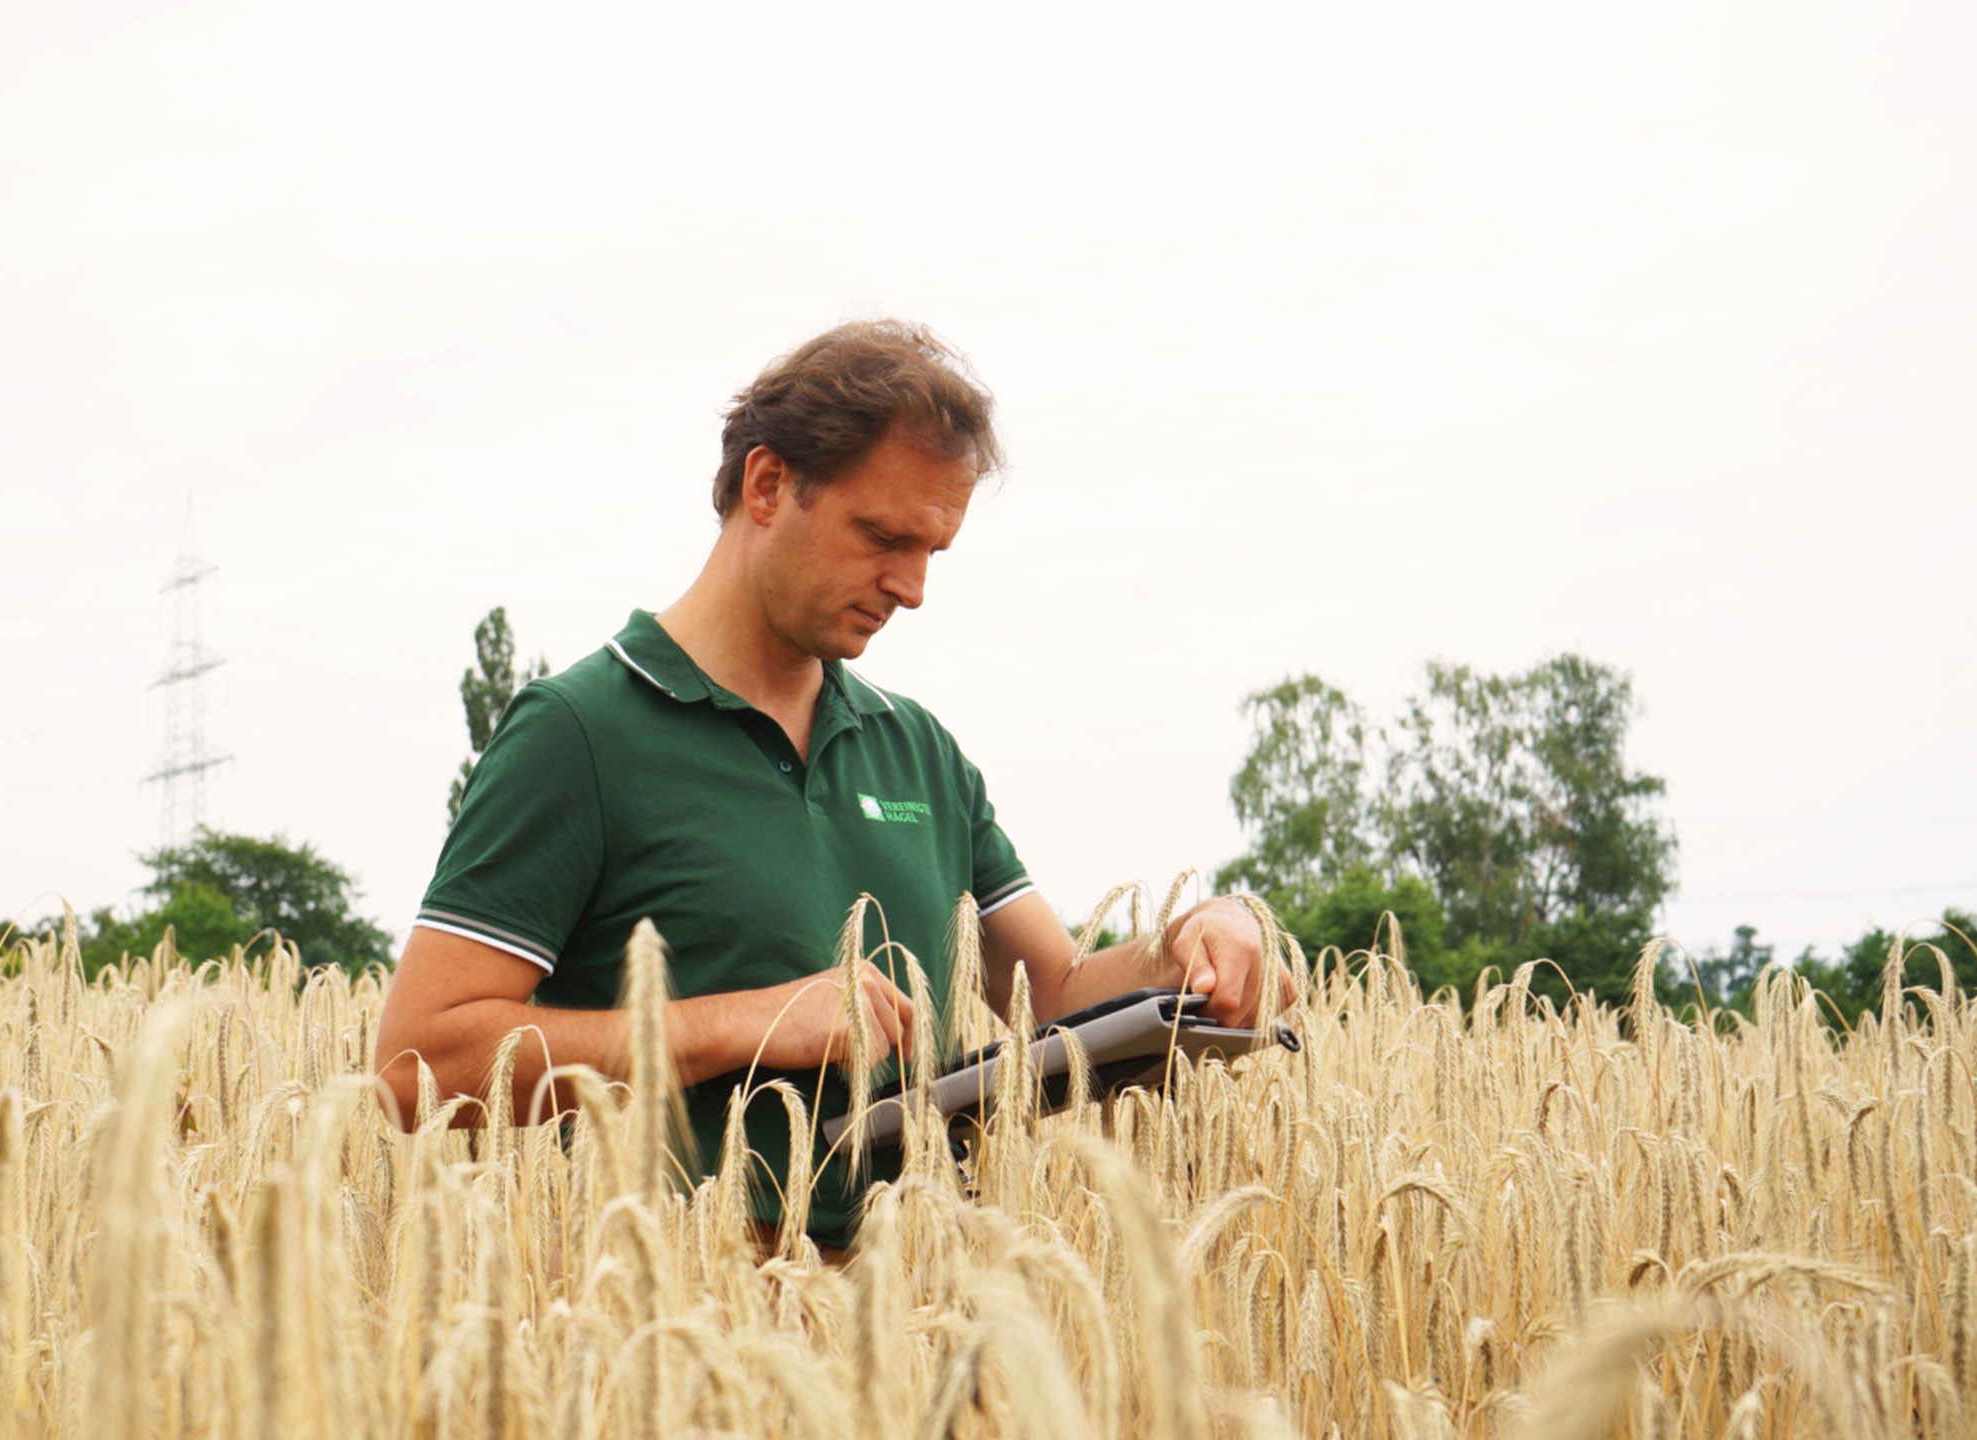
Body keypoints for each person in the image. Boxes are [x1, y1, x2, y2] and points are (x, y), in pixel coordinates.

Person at [373, 320, 1290, 1243]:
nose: (913, 587)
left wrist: (1189, 952)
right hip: (671, 1333)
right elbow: (417, 1063)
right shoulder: (579, 732)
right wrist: (751, 1024)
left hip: (920, 1319)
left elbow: (1053, 992)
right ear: (768, 485)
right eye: (884, 536)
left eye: (933, 550)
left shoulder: (918, 750)